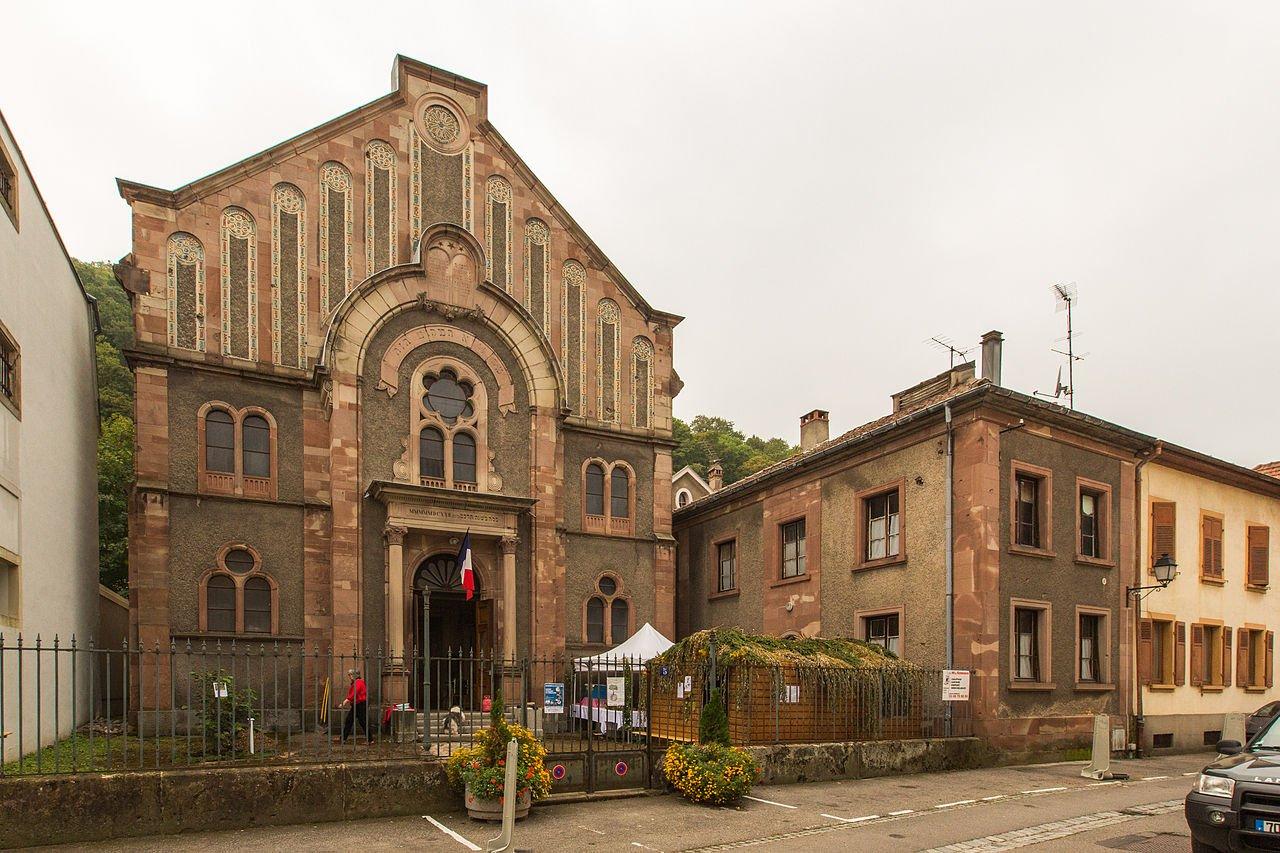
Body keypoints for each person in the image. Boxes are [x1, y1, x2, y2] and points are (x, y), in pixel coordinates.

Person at [340, 668, 373, 743]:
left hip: (360, 705)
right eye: (349, 675)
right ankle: (343, 738)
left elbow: (354, 692)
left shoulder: (358, 682)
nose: (349, 676)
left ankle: (370, 739)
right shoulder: (357, 682)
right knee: (350, 720)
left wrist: (346, 701)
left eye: (351, 674)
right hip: (357, 704)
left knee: (361, 722)